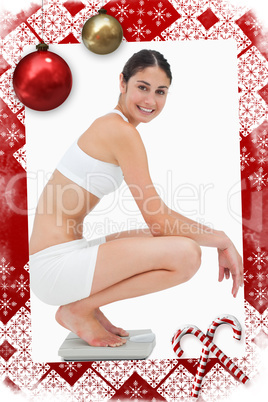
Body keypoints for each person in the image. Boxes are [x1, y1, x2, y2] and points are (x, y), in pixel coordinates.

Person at [29, 49, 243, 348]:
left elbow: (157, 223)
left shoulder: (115, 125)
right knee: (186, 254)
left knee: (169, 242)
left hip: (66, 254)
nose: (150, 101)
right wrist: (222, 239)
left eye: (160, 91)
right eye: (142, 87)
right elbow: (158, 218)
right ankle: (78, 309)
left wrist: (218, 239)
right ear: (123, 83)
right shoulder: (119, 131)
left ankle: (83, 307)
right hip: (55, 267)